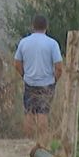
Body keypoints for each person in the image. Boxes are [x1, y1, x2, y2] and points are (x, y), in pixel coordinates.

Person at [13, 14, 63, 143]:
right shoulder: (52, 44)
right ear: (46, 26)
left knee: (29, 112)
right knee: (43, 112)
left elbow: (17, 63)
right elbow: (59, 67)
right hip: (47, 83)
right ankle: (42, 141)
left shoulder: (24, 42)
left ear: (32, 26)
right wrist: (55, 80)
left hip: (29, 82)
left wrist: (24, 75)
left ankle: (27, 141)